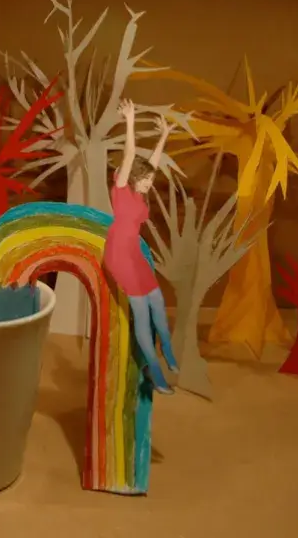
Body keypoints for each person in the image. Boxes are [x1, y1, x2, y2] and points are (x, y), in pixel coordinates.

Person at [103, 98, 178, 395]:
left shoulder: (140, 192)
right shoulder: (121, 188)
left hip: (134, 252)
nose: (150, 182)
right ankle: (156, 373)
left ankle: (167, 349)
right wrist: (131, 121)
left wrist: (163, 137)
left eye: (150, 179)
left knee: (157, 301)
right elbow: (131, 154)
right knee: (142, 315)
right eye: (146, 179)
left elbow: (152, 164)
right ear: (133, 177)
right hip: (119, 255)